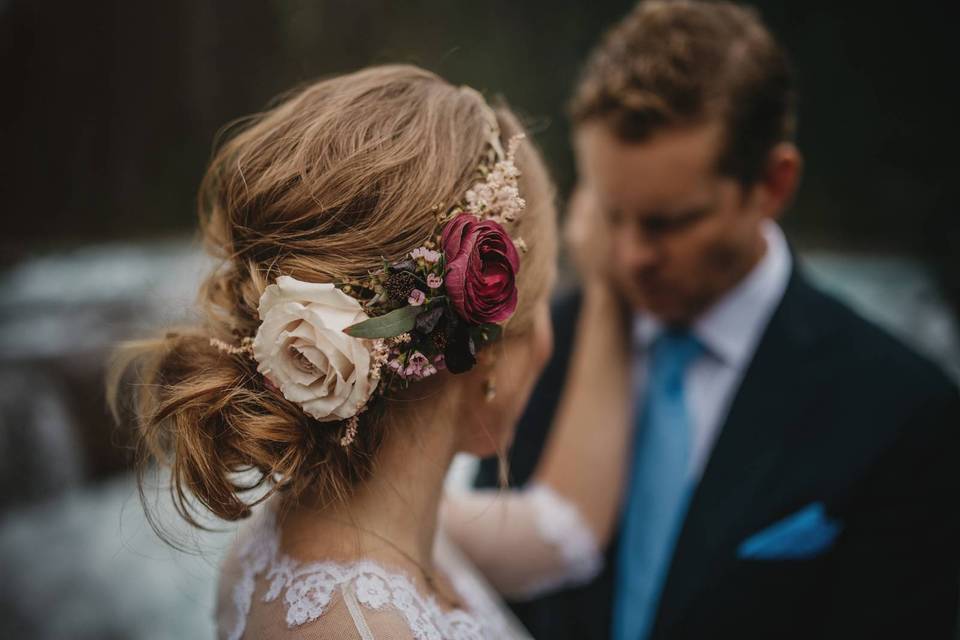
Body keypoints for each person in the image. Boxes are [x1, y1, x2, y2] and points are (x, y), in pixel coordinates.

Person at [476, 2, 960, 638]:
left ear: (772, 185)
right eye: (611, 214)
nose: (630, 257)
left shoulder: (904, 409)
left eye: (668, 222)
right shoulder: (538, 353)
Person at [109, 64, 635, 639]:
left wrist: (608, 290)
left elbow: (566, 533)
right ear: (483, 359)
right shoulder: (355, 623)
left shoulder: (352, 529)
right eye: (542, 307)